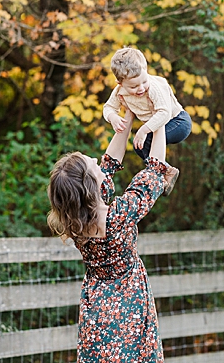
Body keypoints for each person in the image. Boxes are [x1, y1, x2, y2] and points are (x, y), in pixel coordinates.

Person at [47, 127, 177, 363]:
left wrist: (126, 116)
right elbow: (155, 169)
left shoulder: (77, 220)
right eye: (92, 163)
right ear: (91, 184)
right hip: (128, 299)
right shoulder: (118, 216)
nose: (98, 160)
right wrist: (159, 121)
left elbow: (109, 162)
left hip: (97, 302)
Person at [102, 47, 192, 171]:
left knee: (146, 140)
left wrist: (144, 130)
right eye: (134, 86)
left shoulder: (154, 88)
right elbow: (108, 107)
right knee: (139, 146)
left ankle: (159, 172)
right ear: (120, 83)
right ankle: (163, 171)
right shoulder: (119, 91)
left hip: (177, 122)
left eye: (144, 81)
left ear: (146, 71)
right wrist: (113, 117)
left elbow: (164, 113)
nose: (141, 89)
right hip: (158, 124)